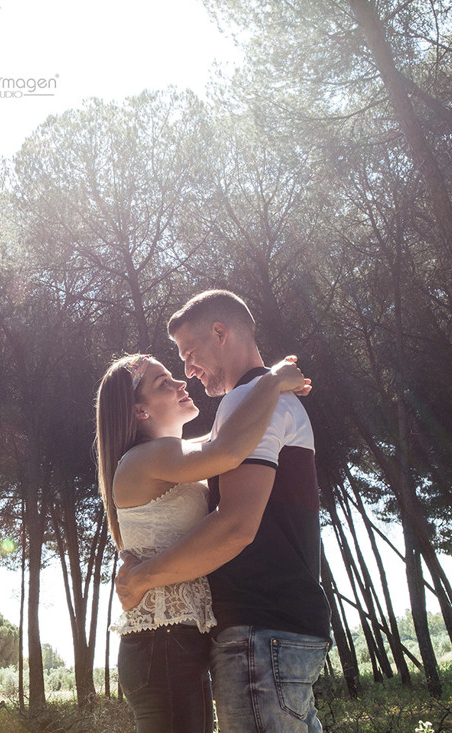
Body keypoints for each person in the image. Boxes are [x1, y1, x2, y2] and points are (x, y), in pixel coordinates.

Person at [116, 289, 331, 733]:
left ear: (220, 332)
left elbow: (235, 525)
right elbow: (222, 449)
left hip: (261, 629)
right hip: (267, 628)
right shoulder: (252, 404)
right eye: (168, 377)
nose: (187, 375)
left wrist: (142, 576)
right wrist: (271, 379)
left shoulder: (244, 402)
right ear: (137, 410)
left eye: (189, 354)